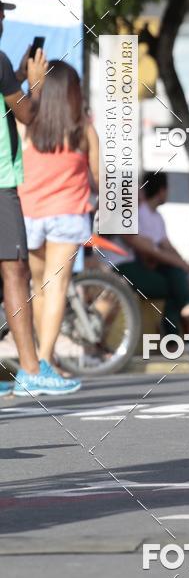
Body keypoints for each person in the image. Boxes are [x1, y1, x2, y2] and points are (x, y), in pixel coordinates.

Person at [0, 2, 81, 396]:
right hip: (6, 188)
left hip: (25, 202)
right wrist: (33, 82)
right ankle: (35, 367)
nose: (2, 20)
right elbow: (28, 114)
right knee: (26, 276)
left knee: (24, 278)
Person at [17, 61, 98, 390]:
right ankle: (44, 363)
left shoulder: (28, 125)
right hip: (67, 213)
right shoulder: (82, 127)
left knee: (38, 289)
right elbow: (100, 177)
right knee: (56, 288)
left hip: (28, 212)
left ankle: (36, 364)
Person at [104, 172, 189, 336]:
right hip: (122, 268)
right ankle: (177, 333)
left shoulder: (129, 216)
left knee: (178, 280)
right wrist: (183, 265)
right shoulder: (122, 217)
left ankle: (176, 333)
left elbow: (158, 246)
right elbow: (147, 249)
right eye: (136, 191)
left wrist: (183, 265)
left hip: (133, 267)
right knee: (177, 285)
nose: (141, 194)